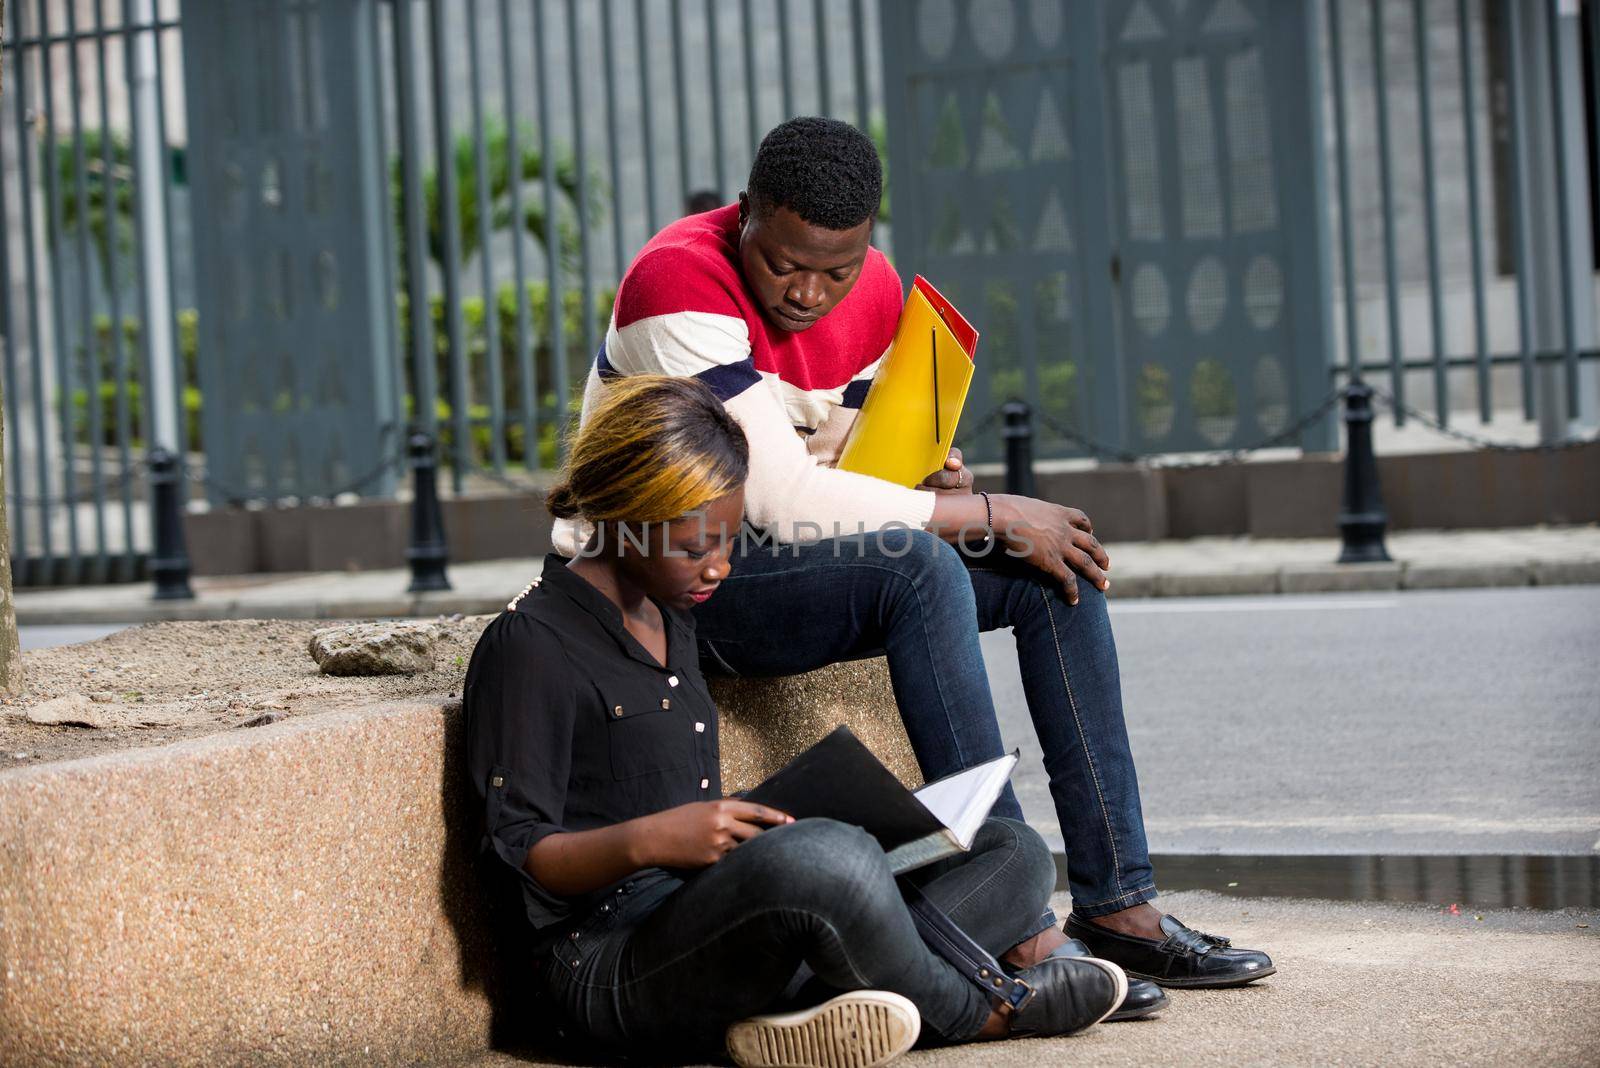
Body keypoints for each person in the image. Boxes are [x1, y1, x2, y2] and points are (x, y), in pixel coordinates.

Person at [551, 117, 1275, 995]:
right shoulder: (679, 280)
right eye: (784, 263)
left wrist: (934, 477)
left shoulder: (878, 291)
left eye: (836, 269)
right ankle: (1016, 928)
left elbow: (849, 477)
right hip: (658, 577)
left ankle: (1119, 900)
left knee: (1052, 577)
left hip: (783, 563)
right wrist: (987, 508)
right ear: (746, 216)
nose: (809, 292)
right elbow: (784, 498)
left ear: (867, 245)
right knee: (924, 564)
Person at [464, 374, 1133, 1068]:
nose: (719, 567)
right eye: (698, 547)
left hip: (714, 919)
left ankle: (811, 1010)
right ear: (625, 515)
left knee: (1006, 849)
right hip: (611, 965)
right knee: (828, 862)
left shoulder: (669, 614)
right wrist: (655, 839)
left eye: (727, 542)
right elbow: (522, 850)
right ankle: (984, 1010)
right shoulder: (532, 643)